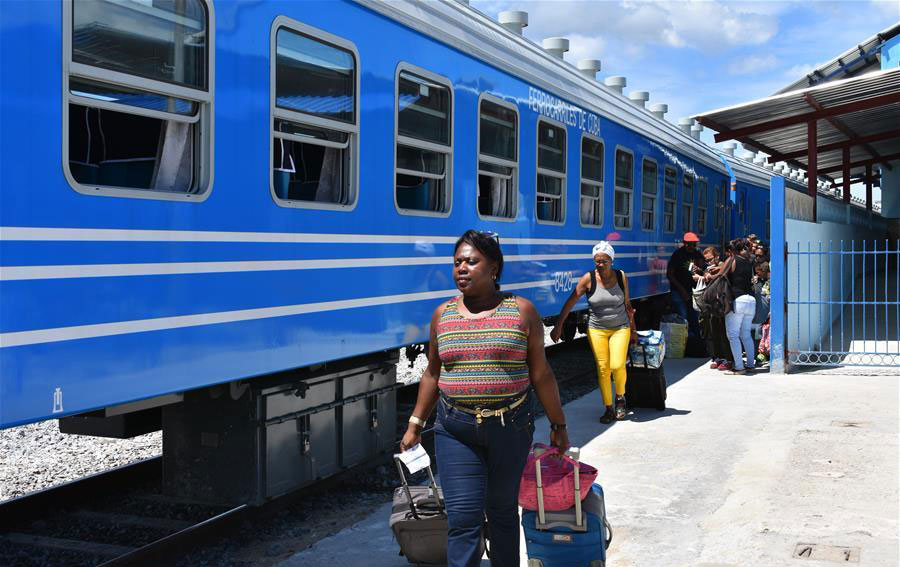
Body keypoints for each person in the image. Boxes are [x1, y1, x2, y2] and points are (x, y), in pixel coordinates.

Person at [400, 230, 569, 567]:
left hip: (512, 427)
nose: (462, 268)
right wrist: (415, 423)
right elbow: (432, 373)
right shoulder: (442, 316)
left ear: (493, 268)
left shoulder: (521, 311)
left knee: (503, 511)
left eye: (471, 261)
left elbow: (541, 375)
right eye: (457, 262)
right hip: (455, 429)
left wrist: (558, 423)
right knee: (463, 519)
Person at [551, 241, 636, 424]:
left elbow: (628, 306)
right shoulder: (588, 279)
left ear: (611, 261)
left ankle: (620, 398)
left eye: (604, 261)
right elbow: (570, 302)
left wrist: (634, 330)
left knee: (617, 364)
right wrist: (558, 325)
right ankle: (608, 408)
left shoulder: (621, 277)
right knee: (603, 368)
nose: (600, 264)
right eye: (597, 261)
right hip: (597, 328)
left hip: (620, 327)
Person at [713, 238, 757, 375]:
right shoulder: (749, 262)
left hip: (738, 301)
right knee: (746, 335)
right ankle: (750, 364)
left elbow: (721, 276)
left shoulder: (732, 260)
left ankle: (739, 367)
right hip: (751, 301)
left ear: (733, 250)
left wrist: (708, 276)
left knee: (732, 335)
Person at [695, 246, 733, 370]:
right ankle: (717, 357)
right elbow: (707, 275)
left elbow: (722, 274)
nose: (709, 262)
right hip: (711, 304)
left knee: (723, 332)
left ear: (717, 257)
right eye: (706, 260)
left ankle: (727, 358)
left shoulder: (723, 265)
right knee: (713, 332)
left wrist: (705, 276)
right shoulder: (709, 268)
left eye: (710, 259)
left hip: (720, 303)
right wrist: (703, 272)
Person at [667, 232, 705, 338]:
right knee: (682, 317)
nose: (692, 246)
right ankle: (682, 341)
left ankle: (694, 341)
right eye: (690, 244)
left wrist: (699, 269)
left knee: (694, 317)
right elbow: (670, 274)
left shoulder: (697, 254)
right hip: (678, 291)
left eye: (694, 244)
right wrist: (682, 290)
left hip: (692, 290)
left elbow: (702, 270)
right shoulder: (677, 254)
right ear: (684, 243)